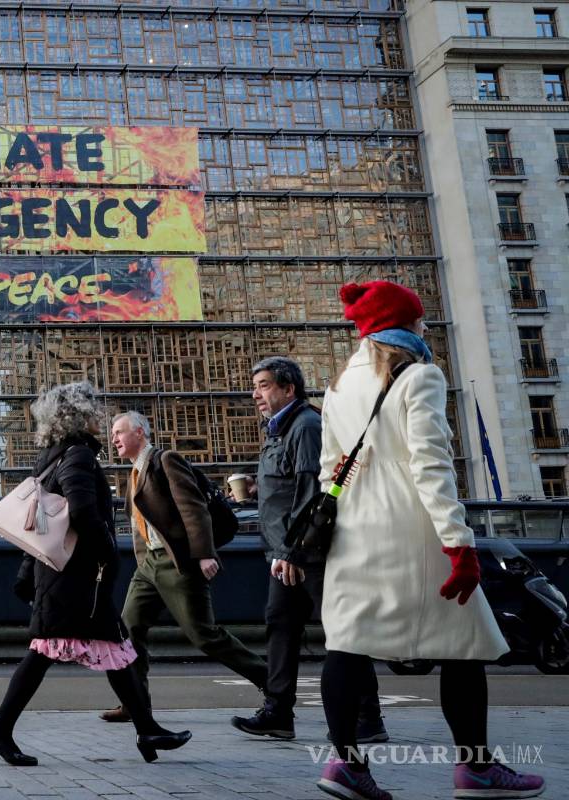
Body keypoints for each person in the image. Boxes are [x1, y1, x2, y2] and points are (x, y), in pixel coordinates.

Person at [313, 281, 544, 800]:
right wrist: (459, 545)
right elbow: (432, 466)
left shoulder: (337, 385)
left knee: (346, 645)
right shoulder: (420, 376)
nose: (426, 329)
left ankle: (346, 765)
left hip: (352, 528)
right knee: (464, 646)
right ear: (408, 326)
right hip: (412, 528)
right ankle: (476, 768)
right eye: (421, 321)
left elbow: (331, 468)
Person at [0, 382, 191, 766]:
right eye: (94, 411)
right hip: (76, 578)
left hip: (65, 576)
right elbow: (81, 512)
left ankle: (147, 729)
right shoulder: (77, 456)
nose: (100, 418)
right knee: (48, 653)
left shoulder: (52, 456)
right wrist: (108, 550)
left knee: (114, 649)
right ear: (79, 415)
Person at [231, 357, 387, 743]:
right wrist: (257, 488)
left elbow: (310, 493)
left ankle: (369, 718)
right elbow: (286, 486)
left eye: (265, 385)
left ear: (289, 389)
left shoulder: (305, 426)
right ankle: (278, 712)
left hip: (309, 554)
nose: (256, 395)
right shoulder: (278, 430)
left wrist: (292, 553)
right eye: (256, 387)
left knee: (341, 631)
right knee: (280, 627)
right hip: (284, 552)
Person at [100, 411, 268, 724]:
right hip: (149, 565)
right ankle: (135, 702)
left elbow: (193, 508)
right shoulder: (135, 474)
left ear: (139, 432)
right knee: (128, 629)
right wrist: (143, 563)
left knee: (204, 635)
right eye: (113, 434)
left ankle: (273, 683)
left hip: (178, 561)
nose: (114, 439)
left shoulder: (166, 461)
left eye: (119, 432)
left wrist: (204, 553)